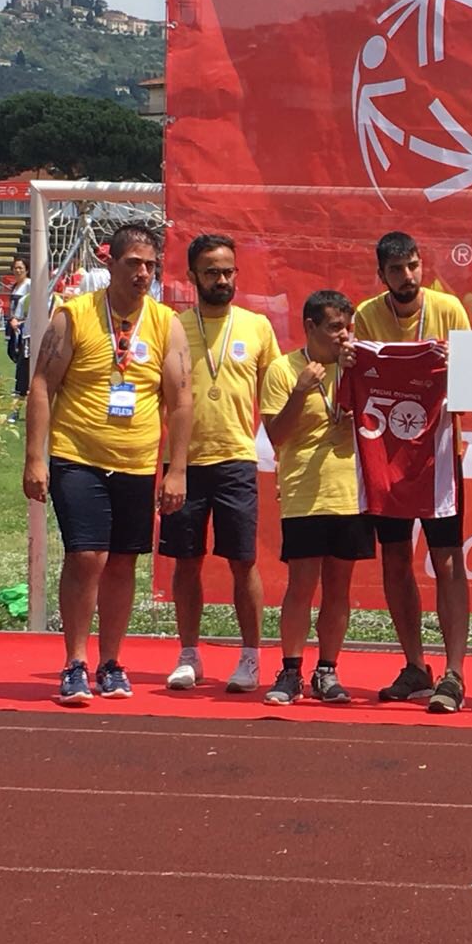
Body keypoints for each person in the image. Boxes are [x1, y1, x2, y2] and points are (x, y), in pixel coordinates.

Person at [23, 224, 192, 703]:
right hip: (78, 456)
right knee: (86, 556)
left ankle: (111, 662)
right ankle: (75, 662)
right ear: (110, 263)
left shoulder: (166, 323)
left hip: (137, 462)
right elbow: (42, 385)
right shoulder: (73, 316)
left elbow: (181, 400)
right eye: (133, 263)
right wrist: (35, 457)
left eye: (150, 265)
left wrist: (176, 469)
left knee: (122, 562)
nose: (143, 274)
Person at [349, 231, 472, 713]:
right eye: (398, 270)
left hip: (439, 455)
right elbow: (358, 377)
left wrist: (458, 365)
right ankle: (415, 665)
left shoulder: (449, 309)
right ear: (382, 275)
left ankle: (455, 672)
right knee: (395, 557)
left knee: (447, 560)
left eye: (414, 266)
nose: (408, 276)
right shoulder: (366, 314)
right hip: (387, 455)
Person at [159, 234, 280, 694]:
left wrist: (284, 457)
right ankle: (188, 654)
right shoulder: (172, 327)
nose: (222, 280)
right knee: (186, 561)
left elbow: (275, 400)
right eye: (211, 272)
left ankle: (250, 657)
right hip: (183, 462)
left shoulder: (257, 327)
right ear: (192, 276)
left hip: (236, 459)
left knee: (243, 561)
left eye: (228, 271)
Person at [258, 290, 372, 705]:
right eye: (335, 327)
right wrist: (301, 391)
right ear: (310, 326)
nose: (344, 335)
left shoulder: (358, 366)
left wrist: (358, 386)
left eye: (348, 327)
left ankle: (327, 670)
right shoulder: (283, 369)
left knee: (338, 588)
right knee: (301, 585)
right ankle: (290, 671)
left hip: (350, 492)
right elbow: (276, 435)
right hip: (304, 492)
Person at [5, 257, 32, 402]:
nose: (17, 270)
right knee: (12, 352)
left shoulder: (29, 285)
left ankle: (22, 386)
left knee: (22, 355)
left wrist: (22, 321)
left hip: (23, 325)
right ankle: (22, 383)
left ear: (26, 270)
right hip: (14, 323)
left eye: (20, 268)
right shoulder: (15, 285)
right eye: (15, 267)